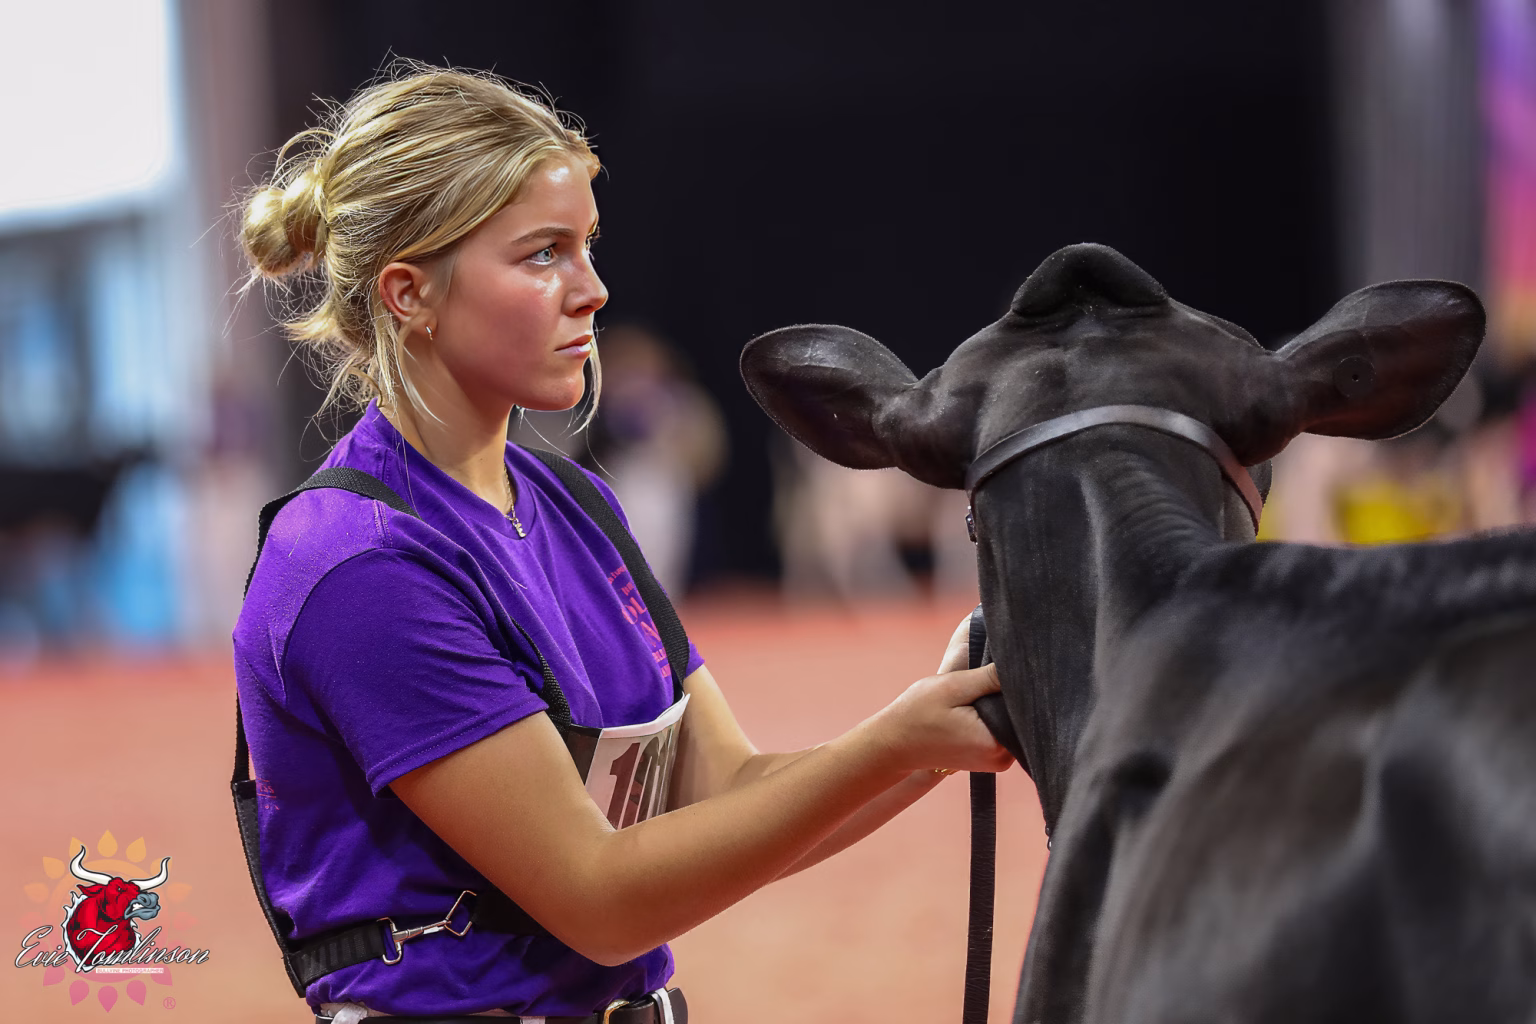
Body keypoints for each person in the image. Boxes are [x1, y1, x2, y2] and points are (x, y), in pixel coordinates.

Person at [233, 63, 1010, 1023]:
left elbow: (729, 793)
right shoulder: (360, 563)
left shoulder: (575, 503)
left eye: (587, 246)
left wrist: (940, 730)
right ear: (409, 294)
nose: (593, 290)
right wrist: (900, 742)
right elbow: (598, 898)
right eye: (543, 254)